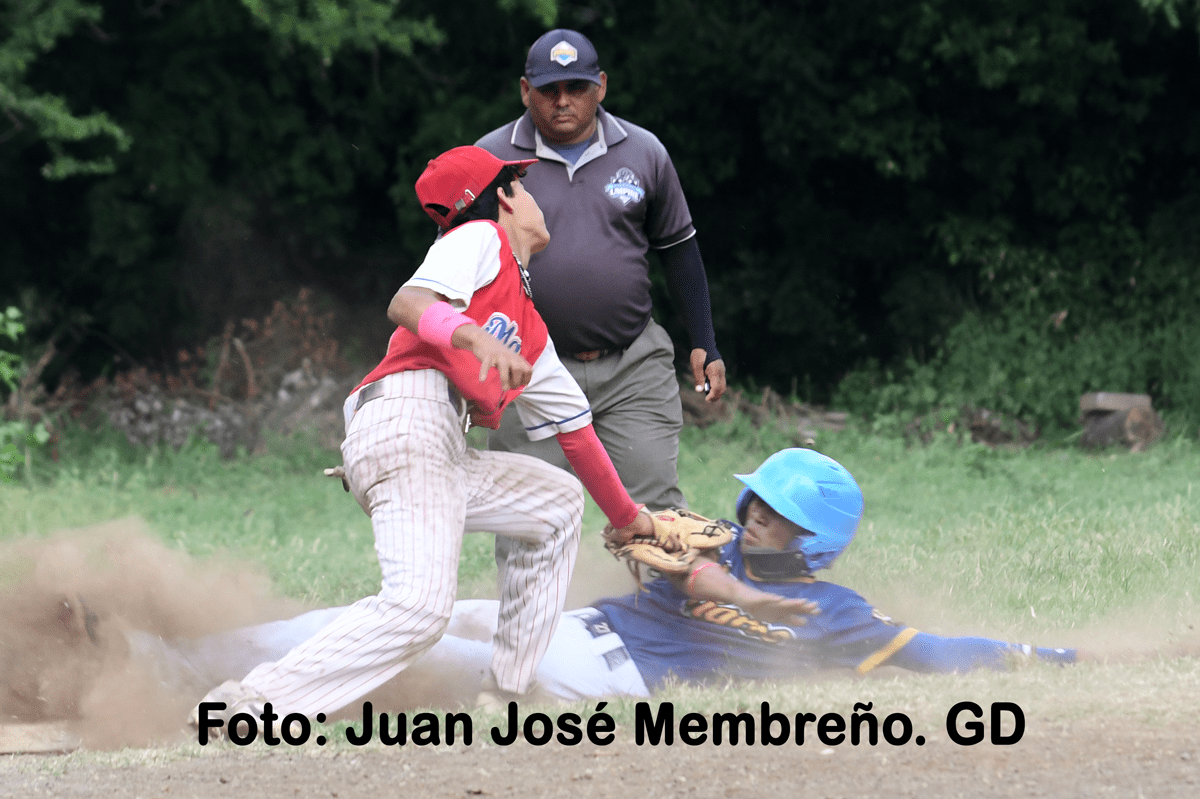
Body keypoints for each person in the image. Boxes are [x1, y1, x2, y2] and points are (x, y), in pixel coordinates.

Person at [188, 145, 655, 727]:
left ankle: (505, 695)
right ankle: (246, 707)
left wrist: (631, 518)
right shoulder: (478, 237)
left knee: (557, 505)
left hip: (440, 448)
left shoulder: (529, 329)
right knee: (418, 608)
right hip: (407, 420)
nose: (536, 199)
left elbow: (578, 436)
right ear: (505, 198)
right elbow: (407, 303)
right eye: (525, 187)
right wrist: (474, 338)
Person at [156, 449, 1075, 713]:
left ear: (818, 541)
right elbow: (682, 561)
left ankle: (209, 683)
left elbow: (937, 652)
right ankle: (179, 659)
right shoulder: (705, 537)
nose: (757, 515)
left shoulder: (836, 617)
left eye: (781, 515)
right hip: (566, 627)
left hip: (601, 679)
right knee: (391, 612)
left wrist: (1043, 654)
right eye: (759, 499)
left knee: (418, 645)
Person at [475, 28, 727, 511]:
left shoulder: (644, 152)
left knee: (657, 509)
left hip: (632, 363)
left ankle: (657, 589)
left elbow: (679, 250)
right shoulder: (490, 159)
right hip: (528, 368)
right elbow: (458, 266)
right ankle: (534, 592)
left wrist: (705, 341)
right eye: (549, 90)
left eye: (577, 88)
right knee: (529, 513)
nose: (563, 101)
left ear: (602, 86)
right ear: (526, 91)